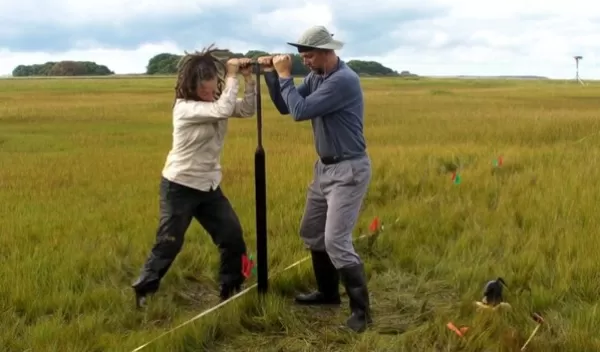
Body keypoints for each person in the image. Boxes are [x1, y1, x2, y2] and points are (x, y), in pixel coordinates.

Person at [258, 26, 372, 333]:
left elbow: (300, 111)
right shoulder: (317, 77)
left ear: (326, 51)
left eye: (308, 56)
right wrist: (271, 74)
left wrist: (284, 76)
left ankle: (362, 312)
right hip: (324, 169)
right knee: (311, 231)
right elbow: (285, 107)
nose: (305, 62)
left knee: (336, 240)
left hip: (348, 169)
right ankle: (328, 294)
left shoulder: (343, 81)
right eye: (302, 57)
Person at [131, 45, 257, 308]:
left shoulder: (215, 103)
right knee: (169, 242)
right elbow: (222, 110)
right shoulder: (185, 108)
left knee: (231, 236)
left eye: (213, 90)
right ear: (191, 87)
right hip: (179, 185)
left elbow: (246, 110)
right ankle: (144, 291)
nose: (210, 95)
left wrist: (249, 80)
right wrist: (232, 74)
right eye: (204, 91)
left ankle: (230, 289)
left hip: (209, 186)